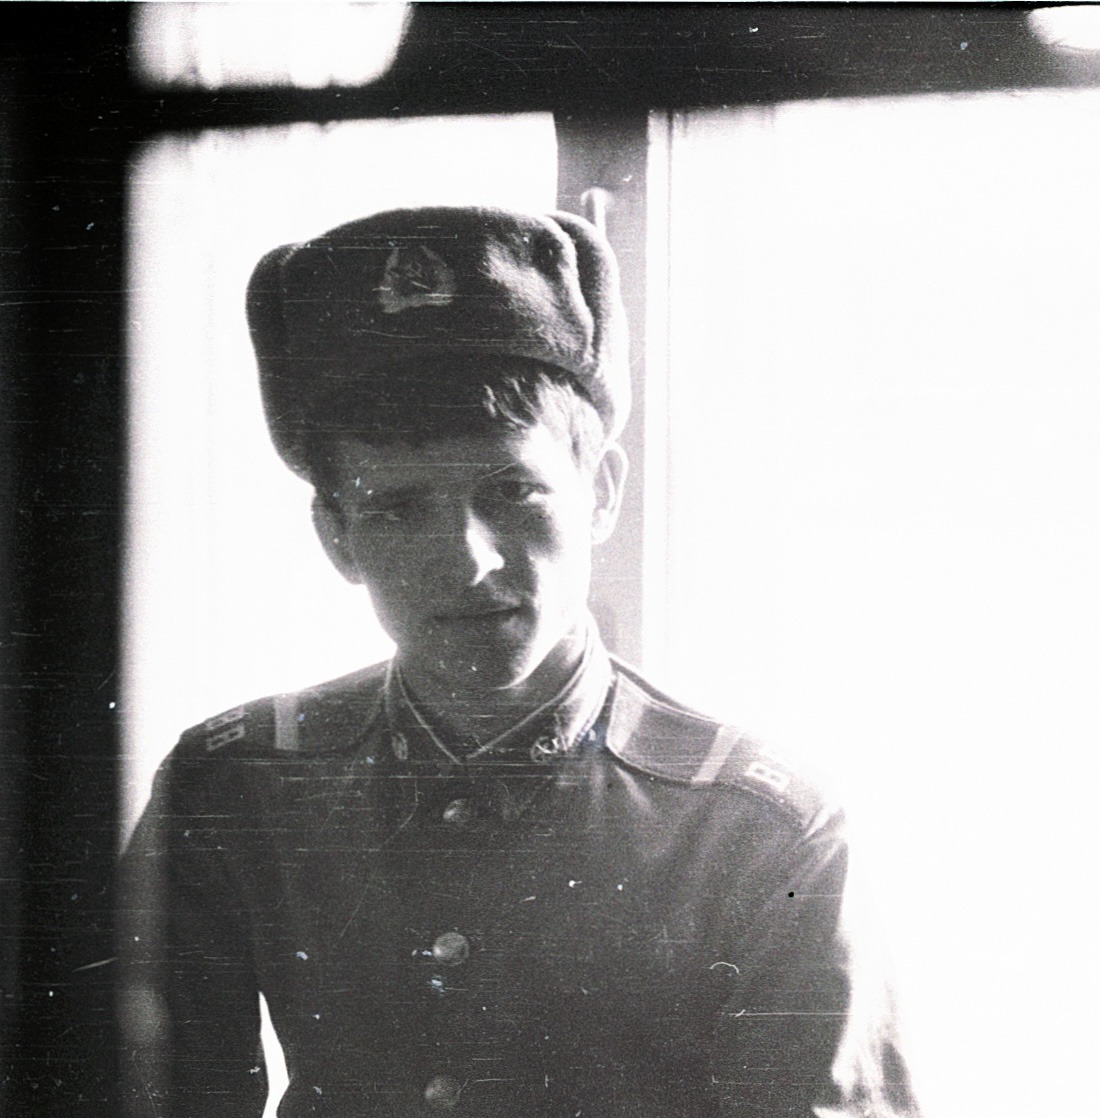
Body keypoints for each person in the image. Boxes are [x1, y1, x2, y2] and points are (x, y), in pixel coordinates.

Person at [121, 206, 916, 1118]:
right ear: (337, 537)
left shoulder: (761, 832)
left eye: (512, 492)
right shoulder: (233, 787)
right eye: (395, 508)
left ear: (601, 494)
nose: (469, 560)